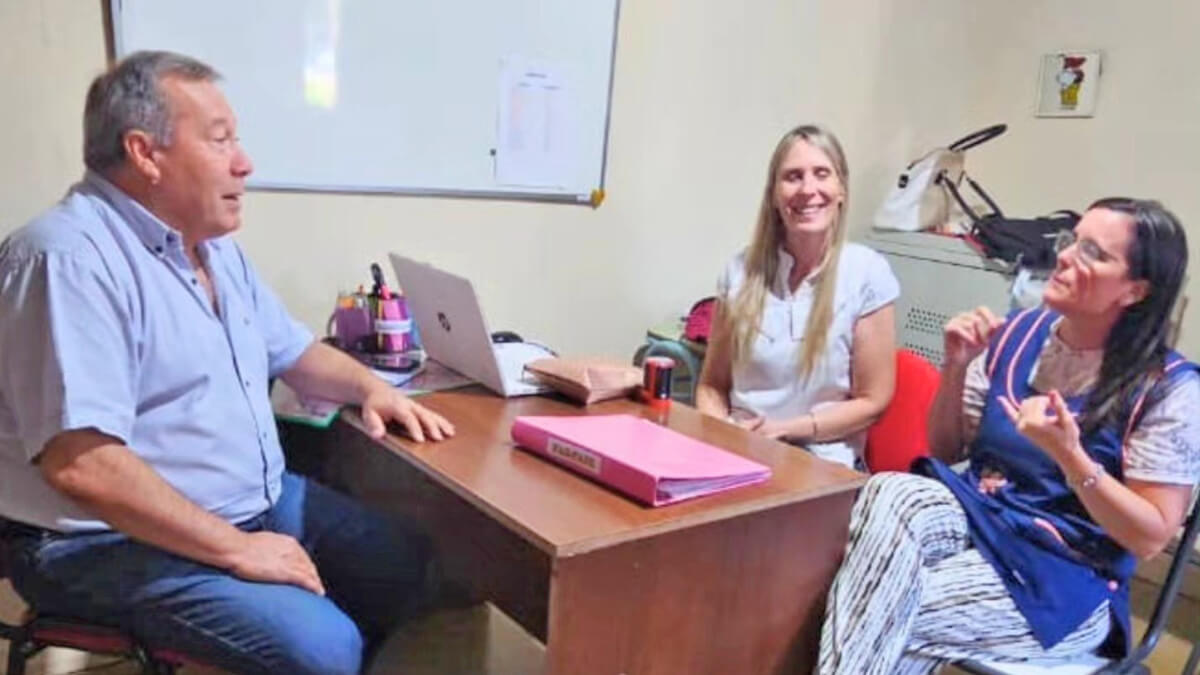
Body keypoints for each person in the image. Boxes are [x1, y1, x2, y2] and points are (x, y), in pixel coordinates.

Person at [0, 51, 456, 675]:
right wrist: (238, 551)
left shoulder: (212, 251)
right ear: (145, 153)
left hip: (250, 504)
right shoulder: (68, 262)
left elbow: (293, 351)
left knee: (405, 566)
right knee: (320, 649)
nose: (245, 162)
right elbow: (84, 466)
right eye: (221, 141)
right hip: (98, 541)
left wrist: (369, 387)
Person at [818, 198, 1200, 674]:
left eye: (1093, 253)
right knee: (891, 490)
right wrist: (955, 366)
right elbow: (946, 450)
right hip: (982, 521)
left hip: (1067, 578)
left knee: (889, 604)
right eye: (1071, 241)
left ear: (1135, 291)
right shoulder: (1018, 333)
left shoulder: (1166, 388)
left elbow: (1148, 538)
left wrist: (1071, 457)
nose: (1064, 257)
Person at [694, 124, 898, 469]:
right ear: (774, 194)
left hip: (820, 461)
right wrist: (727, 433)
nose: (808, 190)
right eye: (792, 177)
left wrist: (787, 431)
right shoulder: (740, 271)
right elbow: (712, 386)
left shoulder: (867, 273)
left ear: (841, 189)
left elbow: (873, 400)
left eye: (822, 174)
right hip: (739, 451)